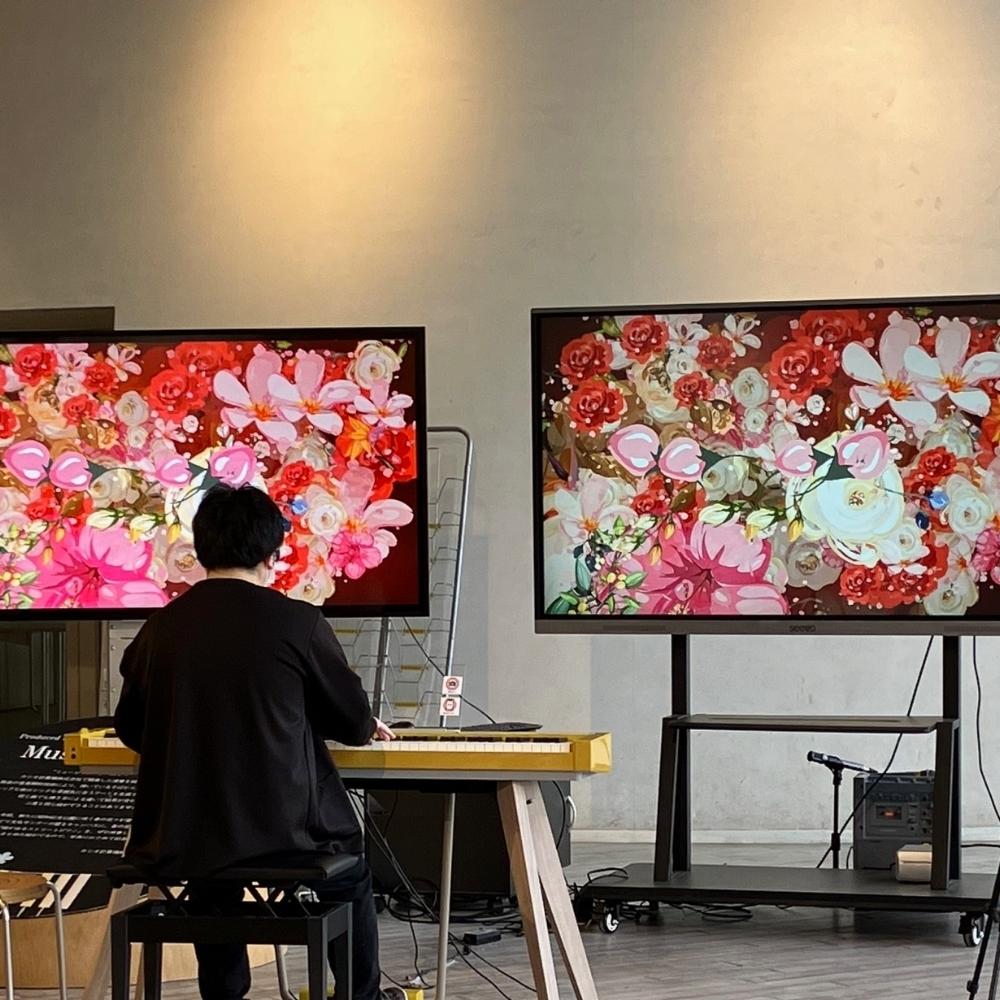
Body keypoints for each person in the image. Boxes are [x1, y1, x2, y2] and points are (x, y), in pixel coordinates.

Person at [114, 484, 393, 1000]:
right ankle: (361, 996)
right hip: (285, 837)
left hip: (181, 836)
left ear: (199, 551)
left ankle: (224, 992)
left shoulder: (159, 628)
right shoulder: (297, 622)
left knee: (212, 875)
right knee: (351, 871)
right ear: (273, 553)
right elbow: (353, 723)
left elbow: (132, 727)